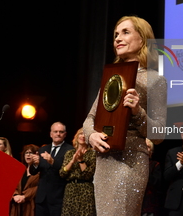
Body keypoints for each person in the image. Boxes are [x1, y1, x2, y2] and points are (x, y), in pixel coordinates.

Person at [83, 15, 167, 215]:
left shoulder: (156, 80)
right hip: (103, 162)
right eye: (115, 35)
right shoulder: (110, 77)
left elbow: (159, 135)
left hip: (130, 162)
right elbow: (89, 119)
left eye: (125, 32)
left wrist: (138, 112)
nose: (118, 39)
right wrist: (91, 135)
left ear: (143, 39)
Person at [30, 122, 73, 216]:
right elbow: (32, 172)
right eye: (55, 131)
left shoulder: (70, 150)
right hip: (42, 198)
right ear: (51, 134)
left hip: (58, 198)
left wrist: (52, 162)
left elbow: (67, 171)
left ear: (65, 134)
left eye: (61, 132)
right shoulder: (43, 149)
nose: (58, 134)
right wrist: (35, 164)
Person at [60, 127, 96, 216]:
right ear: (76, 136)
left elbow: (88, 175)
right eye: (80, 133)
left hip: (86, 189)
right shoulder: (69, 153)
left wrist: (80, 160)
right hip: (70, 189)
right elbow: (62, 173)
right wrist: (72, 161)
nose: (82, 136)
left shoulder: (93, 154)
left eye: (85, 134)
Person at [10, 144, 40, 216]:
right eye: (26, 153)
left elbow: (39, 187)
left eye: (31, 153)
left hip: (32, 204)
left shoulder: (40, 172)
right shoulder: (20, 170)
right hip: (18, 205)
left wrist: (25, 196)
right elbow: (13, 185)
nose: (28, 155)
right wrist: (16, 195)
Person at [141, 138, 163, 216]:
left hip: (148, 205)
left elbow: (157, 183)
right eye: (144, 146)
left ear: (151, 151)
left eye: (148, 147)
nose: (146, 149)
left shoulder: (155, 165)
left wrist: (144, 171)